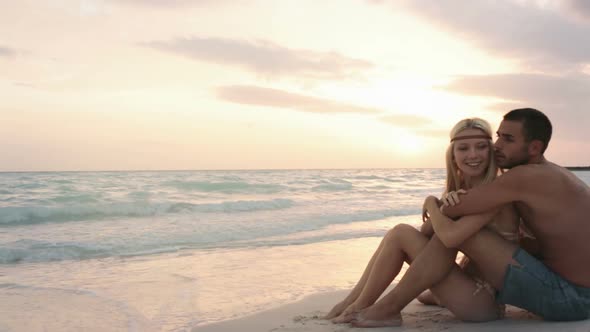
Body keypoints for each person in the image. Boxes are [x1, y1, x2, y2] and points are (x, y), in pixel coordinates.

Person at [350, 108, 590, 327]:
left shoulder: (525, 176)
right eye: (498, 136)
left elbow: (454, 212)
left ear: (534, 148)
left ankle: (387, 308)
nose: (497, 145)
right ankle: (357, 302)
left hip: (573, 298)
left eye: (508, 139)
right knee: (424, 240)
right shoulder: (550, 174)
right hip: (567, 286)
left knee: (459, 232)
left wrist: (431, 203)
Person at [324, 117, 521, 325]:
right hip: (470, 289)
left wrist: (431, 205)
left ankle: (363, 306)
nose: (473, 154)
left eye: (481, 147)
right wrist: (441, 207)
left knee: (400, 233)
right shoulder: (463, 191)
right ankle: (352, 301)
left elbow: (448, 238)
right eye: (463, 148)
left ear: (490, 152)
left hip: (483, 302)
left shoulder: (494, 191)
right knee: (399, 238)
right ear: (453, 156)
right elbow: (426, 234)